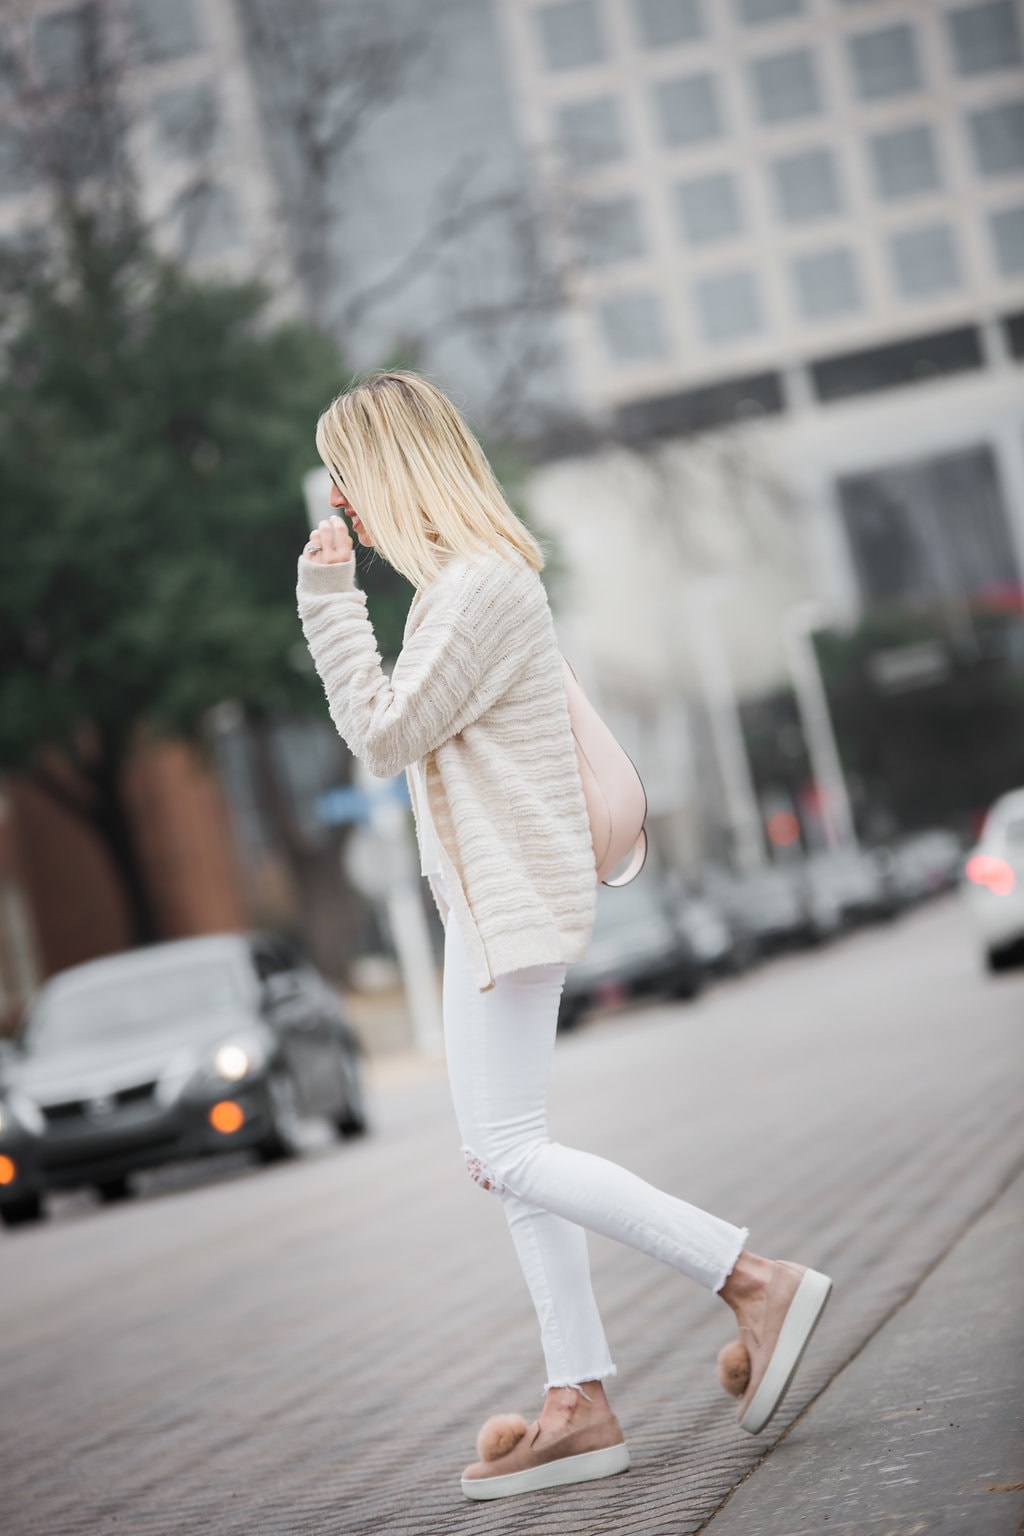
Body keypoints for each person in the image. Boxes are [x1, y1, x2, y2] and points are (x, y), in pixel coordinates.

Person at [296, 370, 832, 1502]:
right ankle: (576, 1402)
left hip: (507, 898)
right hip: (482, 899)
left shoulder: (480, 588)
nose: (341, 500)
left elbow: (384, 736)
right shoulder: (464, 586)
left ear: (389, 473)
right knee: (505, 1158)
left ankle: (750, 1277)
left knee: (509, 1150)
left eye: (348, 475)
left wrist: (328, 601)